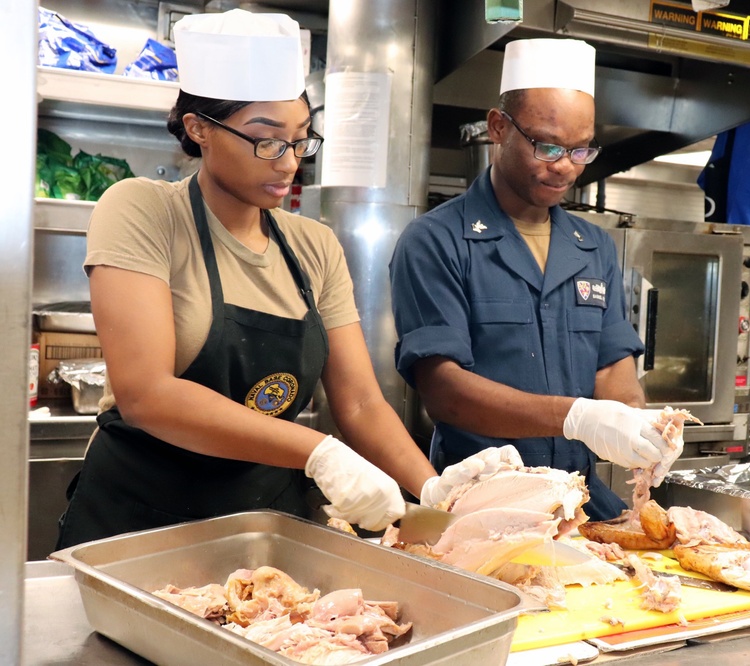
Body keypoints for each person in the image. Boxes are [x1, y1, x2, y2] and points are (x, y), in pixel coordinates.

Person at [55, 9, 441, 548]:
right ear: (199, 129)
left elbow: (359, 404)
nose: (288, 163)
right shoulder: (143, 211)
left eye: (301, 140)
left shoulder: (315, 247)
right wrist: (317, 452)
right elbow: (147, 393)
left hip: (266, 526)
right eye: (267, 140)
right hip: (140, 523)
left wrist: (436, 490)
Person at [389, 38, 670, 521]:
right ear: (499, 127)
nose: (564, 165)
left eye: (581, 150)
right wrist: (577, 418)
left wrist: (636, 422)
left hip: (580, 502)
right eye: (548, 145)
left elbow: (612, 365)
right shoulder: (437, 240)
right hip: (480, 505)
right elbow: (446, 392)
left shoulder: (593, 246)